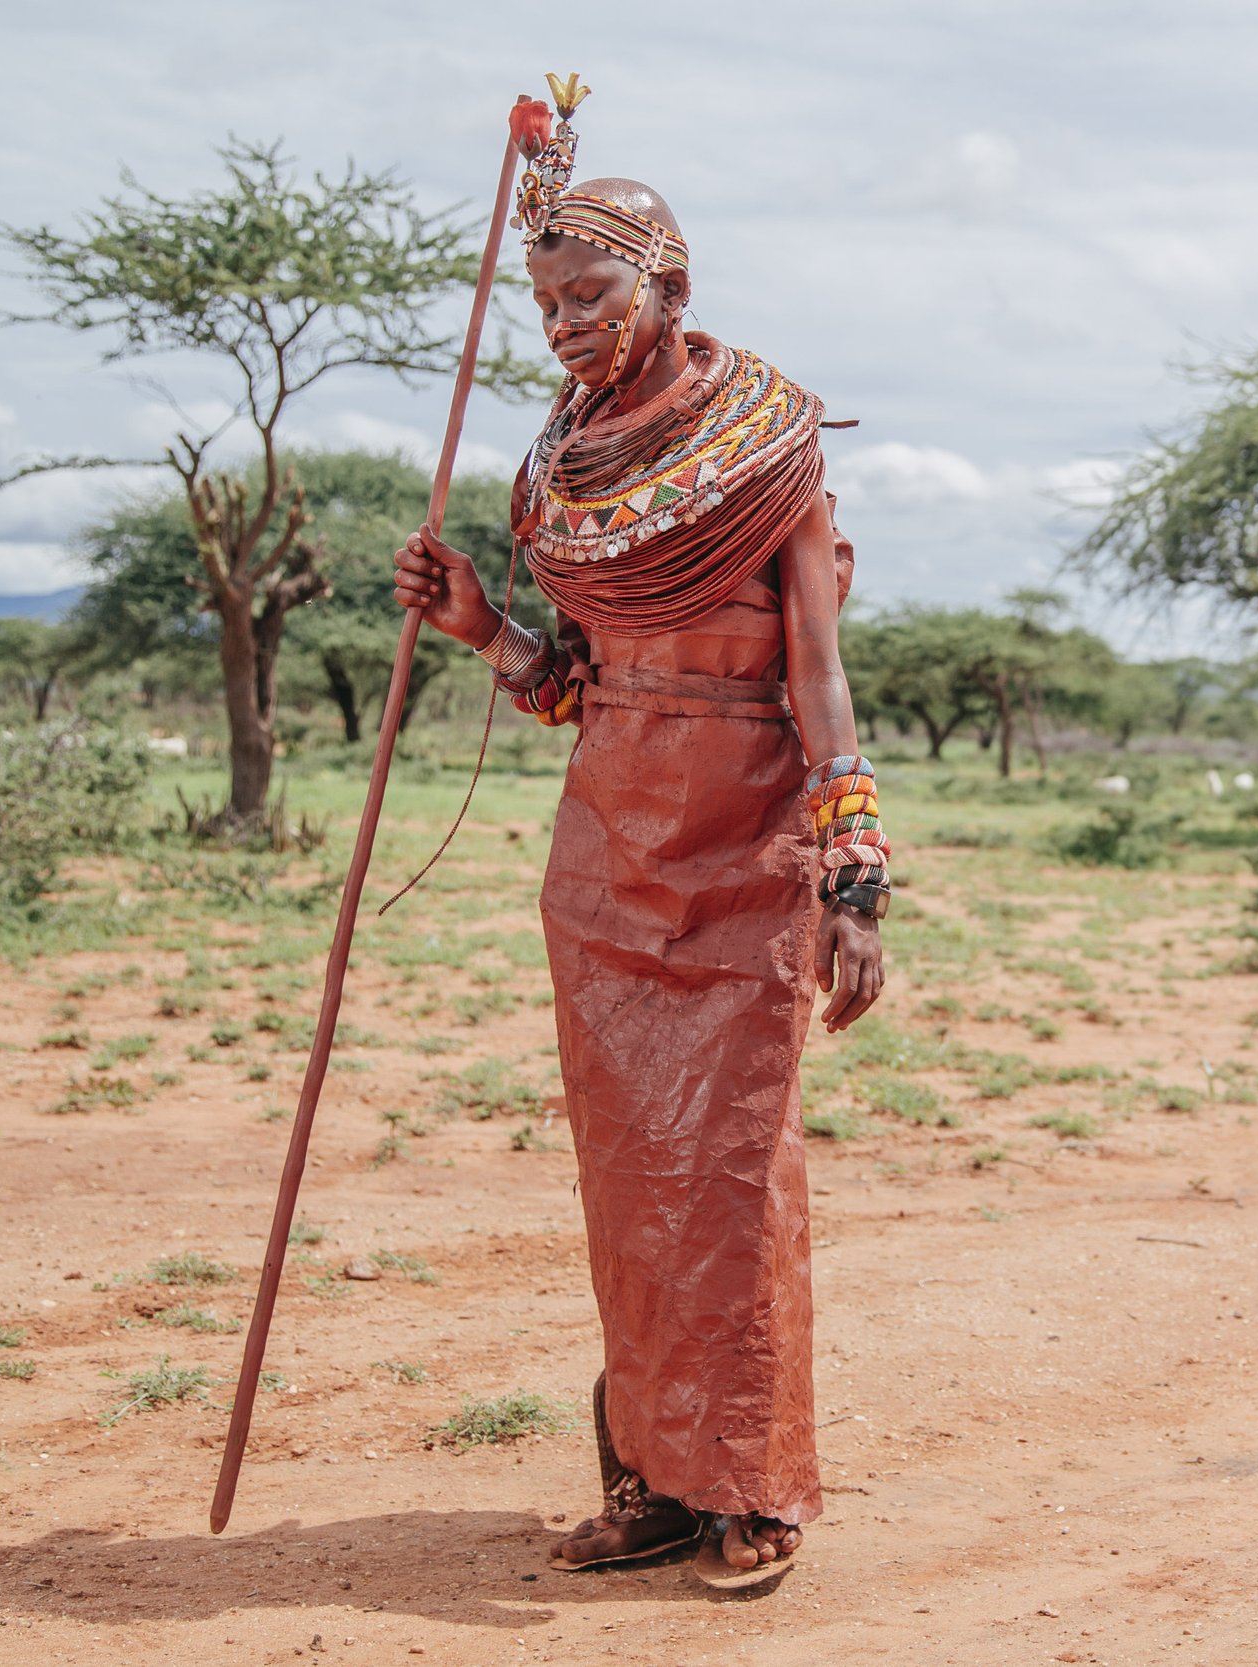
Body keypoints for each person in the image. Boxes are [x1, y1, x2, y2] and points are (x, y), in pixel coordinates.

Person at [390, 86, 883, 1588]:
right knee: (627, 1172)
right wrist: (483, 628)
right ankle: (658, 1480)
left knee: (728, 1171)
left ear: (670, 285)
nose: (562, 325)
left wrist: (854, 878)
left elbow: (818, 682)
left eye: (590, 291)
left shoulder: (770, 446)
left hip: (744, 849)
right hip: (606, 855)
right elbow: (569, 688)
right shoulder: (558, 465)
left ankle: (756, 1490)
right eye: (542, 303)